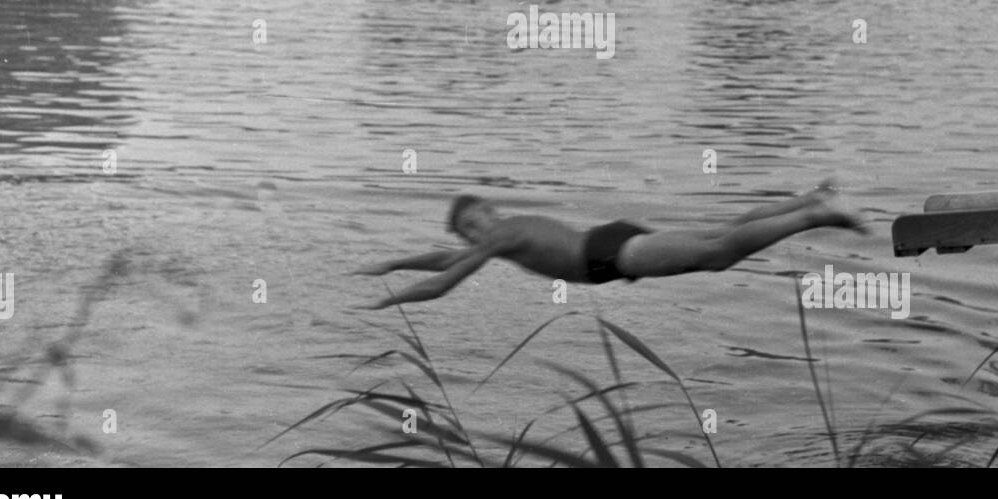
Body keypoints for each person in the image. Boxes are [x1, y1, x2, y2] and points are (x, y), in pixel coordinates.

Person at [355, 183, 869, 308]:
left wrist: (388, 301)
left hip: (610, 255)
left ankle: (817, 215)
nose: (471, 237)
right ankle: (811, 198)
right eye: (467, 233)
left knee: (719, 254)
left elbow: (447, 280)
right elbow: (446, 260)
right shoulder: (506, 233)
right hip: (612, 240)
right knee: (722, 233)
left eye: (471, 225)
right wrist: (393, 263)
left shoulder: (503, 235)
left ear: (487, 214)